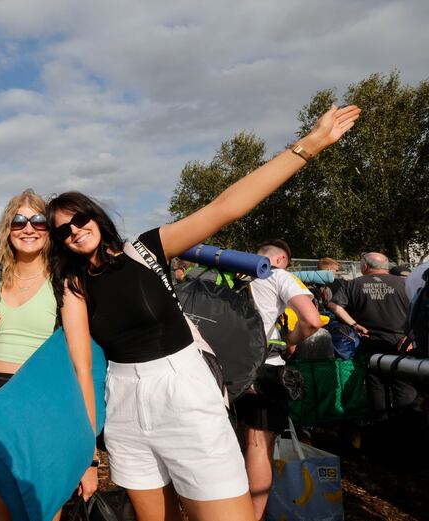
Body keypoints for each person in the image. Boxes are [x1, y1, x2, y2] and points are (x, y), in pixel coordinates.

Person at [47, 104, 360, 521]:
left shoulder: (144, 250)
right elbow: (81, 366)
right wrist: (87, 450)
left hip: (183, 388)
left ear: (97, 217)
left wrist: (309, 146)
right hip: (123, 401)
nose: (74, 231)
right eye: (62, 230)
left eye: (79, 219)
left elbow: (224, 207)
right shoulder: (73, 284)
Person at [0, 190, 96, 520]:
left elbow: (82, 367)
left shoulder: (63, 281)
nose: (29, 228)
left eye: (38, 220)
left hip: (44, 403)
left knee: (43, 509)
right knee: (4, 512)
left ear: (49, 230)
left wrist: (88, 455)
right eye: (19, 220)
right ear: (8, 228)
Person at [237, 239, 321, 519]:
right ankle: (253, 515)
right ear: (282, 260)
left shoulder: (227, 275)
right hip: (260, 370)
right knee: (258, 444)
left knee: (228, 442)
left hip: (215, 371)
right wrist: (289, 341)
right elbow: (312, 321)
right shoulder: (278, 275)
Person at [329, 252, 413, 420]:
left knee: (376, 384)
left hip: (370, 343)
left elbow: (334, 305)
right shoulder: (406, 284)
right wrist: (411, 335)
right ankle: (406, 428)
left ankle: (381, 428)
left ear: (365, 266)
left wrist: (354, 324)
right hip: (402, 344)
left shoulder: (353, 284)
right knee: (404, 383)